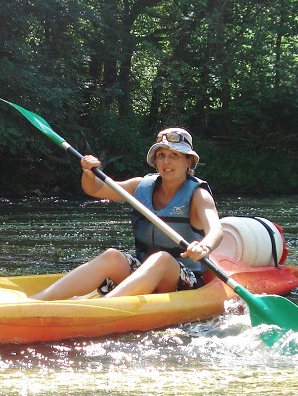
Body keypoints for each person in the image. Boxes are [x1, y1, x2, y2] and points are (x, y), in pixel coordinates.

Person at [32, 128, 223, 300]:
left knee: (162, 258)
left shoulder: (198, 195)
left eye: (174, 155)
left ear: (188, 160)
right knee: (112, 256)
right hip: (143, 272)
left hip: (184, 279)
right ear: (155, 161)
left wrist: (204, 247)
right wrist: (88, 172)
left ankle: (103, 309)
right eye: (161, 155)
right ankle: (37, 301)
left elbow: (216, 230)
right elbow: (95, 189)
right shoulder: (141, 186)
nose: (166, 161)